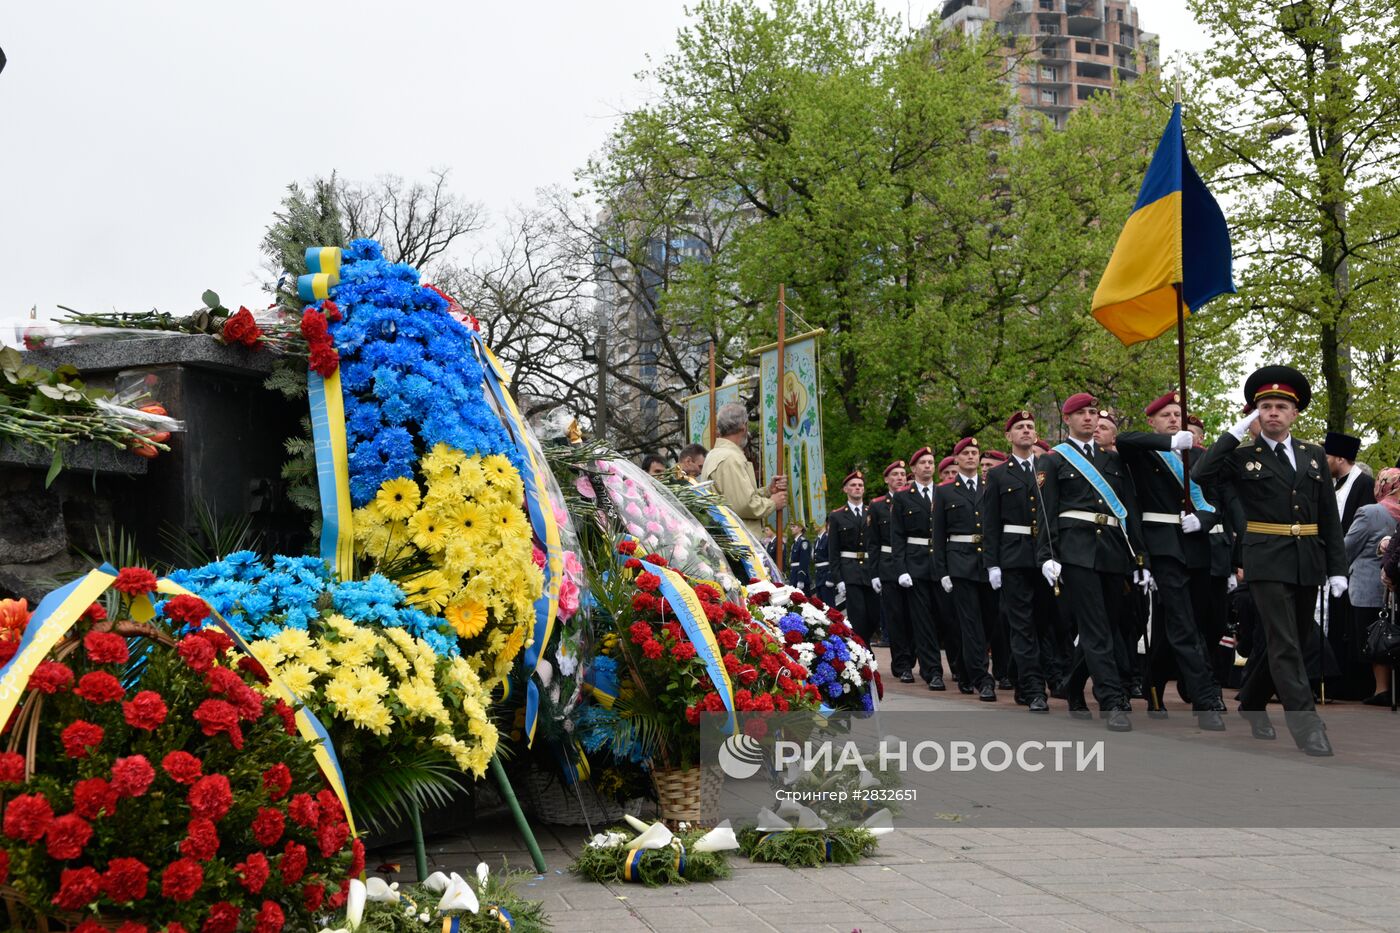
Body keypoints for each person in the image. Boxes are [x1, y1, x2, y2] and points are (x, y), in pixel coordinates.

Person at [1192, 365, 1346, 756]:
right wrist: (1233, 433)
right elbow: (1201, 471)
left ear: (1294, 413)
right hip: (1265, 558)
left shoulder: (1313, 456)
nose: (1273, 412)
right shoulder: (1243, 457)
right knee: (1284, 643)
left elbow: (1327, 514)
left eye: (1280, 406)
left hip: (1307, 558)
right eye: (1265, 406)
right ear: (1255, 413)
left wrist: (1337, 567)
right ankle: (1306, 725)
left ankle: (1253, 701)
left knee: (1296, 638)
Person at [1115, 391, 1227, 729]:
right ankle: (1205, 698)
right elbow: (1124, 438)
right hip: (1162, 545)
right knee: (1181, 623)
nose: (1174, 419)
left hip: (1196, 545)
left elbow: (1215, 502)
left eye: (1178, 414)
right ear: (1152, 422)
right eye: (1166, 415)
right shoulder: (1145, 451)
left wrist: (1204, 520)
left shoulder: (1199, 457)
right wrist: (1169, 442)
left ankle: (1154, 681)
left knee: (1195, 623)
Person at [1038, 393, 1147, 732]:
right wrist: (1047, 555)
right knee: (1097, 628)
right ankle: (1111, 699)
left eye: (1093, 413)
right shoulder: (1054, 460)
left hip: (1113, 550)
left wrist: (1139, 556)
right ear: (1066, 419)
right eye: (1081, 413)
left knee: (1107, 624)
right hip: (1076, 551)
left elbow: (1129, 511)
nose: (1089, 419)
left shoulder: (1112, 460)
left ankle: (1072, 684)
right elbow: (1046, 512)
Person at [985, 411, 1052, 712]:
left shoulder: (1047, 468)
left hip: (1045, 556)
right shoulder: (999, 475)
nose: (1026, 431)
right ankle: (1035, 688)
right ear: (1009, 436)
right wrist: (993, 563)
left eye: (1030, 427)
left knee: (1043, 622)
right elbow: (990, 524)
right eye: (1019, 427)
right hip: (1013, 556)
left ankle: (1019, 677)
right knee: (1022, 625)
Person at [935, 438, 999, 701]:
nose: (971, 457)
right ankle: (981, 678)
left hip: (987, 564)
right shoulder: (945, 492)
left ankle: (967, 668)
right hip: (960, 564)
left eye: (975, 453)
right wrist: (943, 571)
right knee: (970, 623)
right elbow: (938, 535)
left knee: (989, 622)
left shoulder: (991, 486)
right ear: (957, 459)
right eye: (966, 453)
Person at [1324, 431, 1376, 698]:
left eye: (1328, 456)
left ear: (1340, 458)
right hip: (1335, 565)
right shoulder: (1334, 484)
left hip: (1353, 566)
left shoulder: (1363, 484)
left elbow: (1361, 531)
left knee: (1349, 628)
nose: (1324, 461)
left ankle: (1353, 686)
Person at [891, 447, 947, 690]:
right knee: (923, 621)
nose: (927, 466)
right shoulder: (903, 497)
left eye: (930, 462)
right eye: (923, 462)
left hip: (942, 562)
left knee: (945, 618)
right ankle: (932, 670)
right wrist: (901, 568)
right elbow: (897, 536)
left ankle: (958, 667)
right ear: (913, 469)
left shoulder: (944, 492)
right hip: (916, 563)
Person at [1344, 467, 1400, 705]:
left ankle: (1378, 690)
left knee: (1373, 638)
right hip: (1392, 589)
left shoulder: (1370, 512)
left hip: (1367, 586)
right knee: (1390, 635)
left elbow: (1347, 547)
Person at [700, 402, 787, 538]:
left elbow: (734, 498)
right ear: (743, 426)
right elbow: (744, 505)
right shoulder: (729, 457)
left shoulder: (715, 454)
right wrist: (773, 502)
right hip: (739, 541)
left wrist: (768, 491)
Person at [867, 460, 914, 681]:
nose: (900, 478)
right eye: (894, 474)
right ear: (887, 479)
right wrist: (874, 573)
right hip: (888, 566)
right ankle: (902, 663)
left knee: (916, 616)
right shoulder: (877, 506)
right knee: (895, 618)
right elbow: (873, 542)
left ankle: (914, 656)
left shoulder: (913, 498)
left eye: (903, 474)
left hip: (912, 563)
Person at [828, 471, 879, 643]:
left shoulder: (871, 512)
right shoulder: (837, 516)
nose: (857, 488)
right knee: (858, 616)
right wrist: (838, 579)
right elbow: (833, 550)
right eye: (853, 485)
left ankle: (863, 645)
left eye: (860, 485)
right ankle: (865, 652)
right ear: (845, 490)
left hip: (870, 571)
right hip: (850, 570)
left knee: (875, 615)